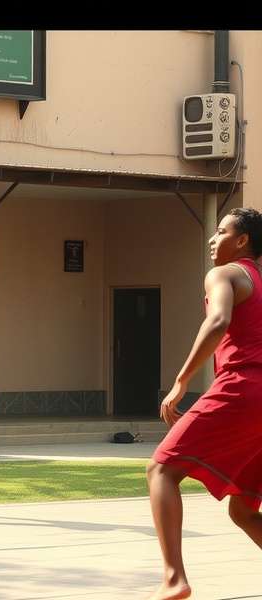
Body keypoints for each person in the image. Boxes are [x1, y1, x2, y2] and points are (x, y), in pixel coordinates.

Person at [146, 207, 262, 600]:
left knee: (161, 469)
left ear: (242, 240)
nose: (213, 239)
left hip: (243, 388)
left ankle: (173, 579)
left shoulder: (225, 274)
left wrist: (180, 383)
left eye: (221, 231)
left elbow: (217, 322)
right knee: (243, 511)